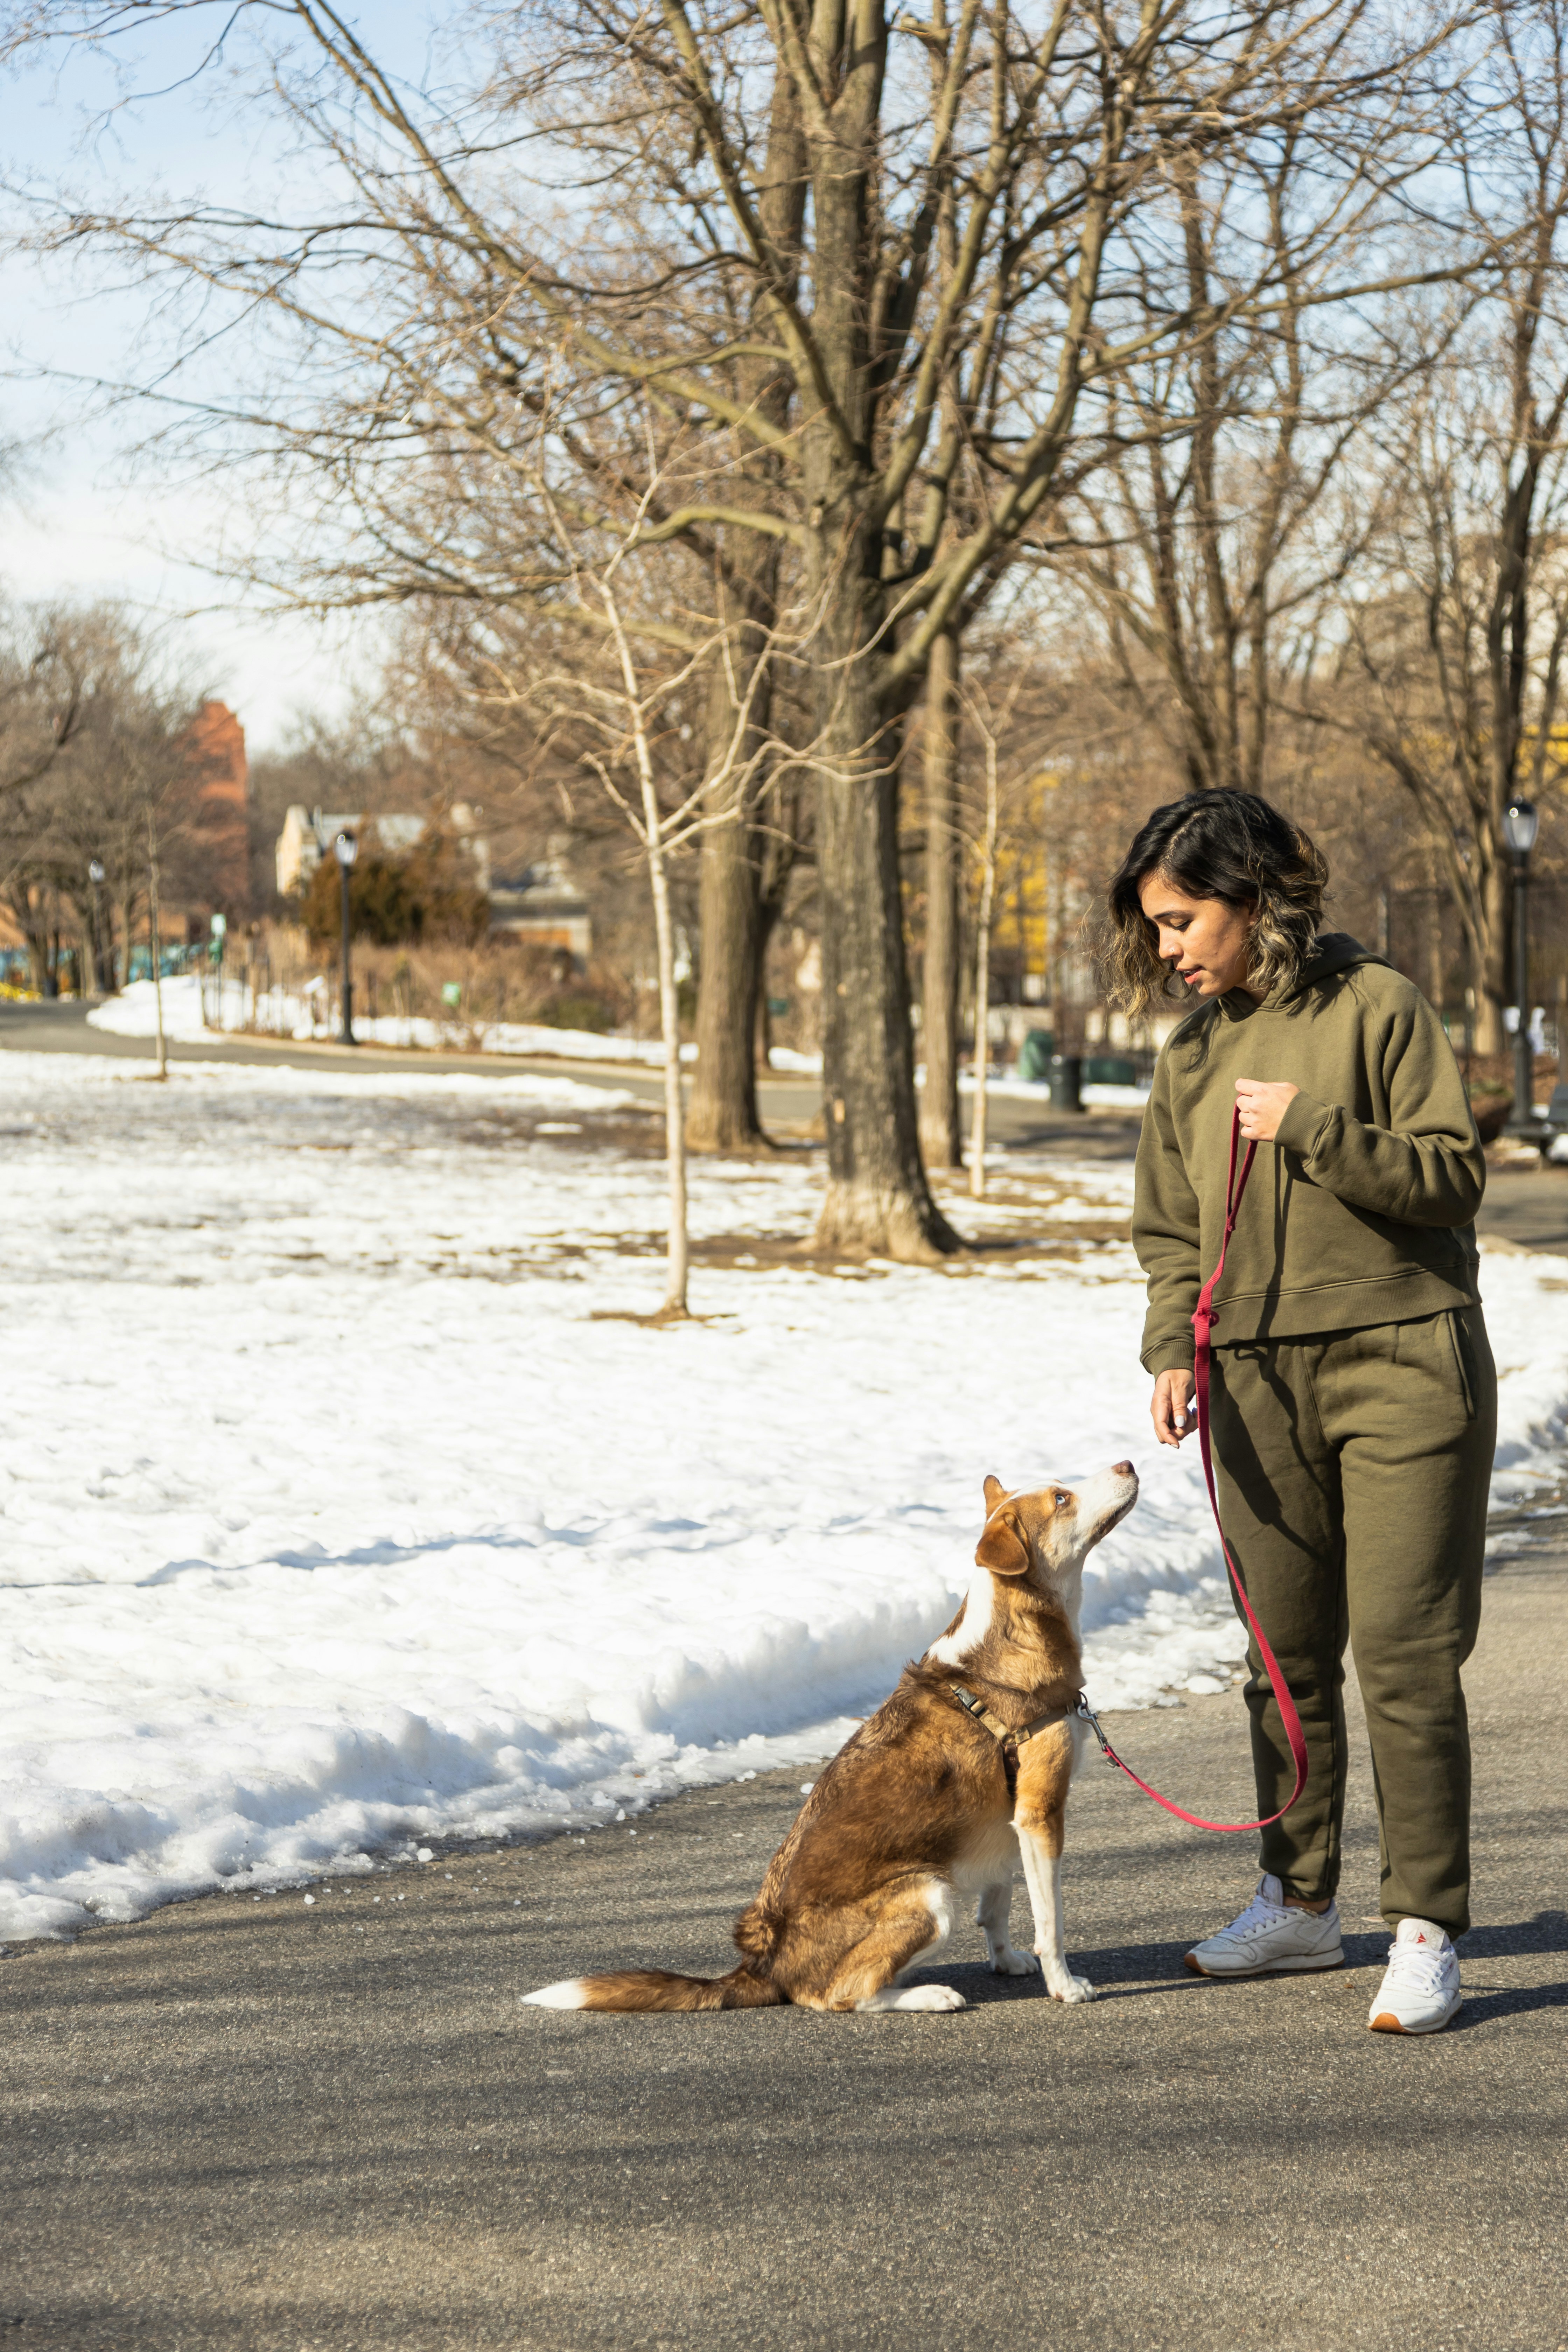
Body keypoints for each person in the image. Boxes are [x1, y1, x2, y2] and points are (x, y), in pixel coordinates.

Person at [1107, 790, 1496, 2035]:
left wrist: (1313, 1130)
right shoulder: (1188, 1056)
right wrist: (1174, 1347)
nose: (1168, 946)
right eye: (1155, 926)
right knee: (1281, 1665)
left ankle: (1425, 1927)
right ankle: (1298, 1898)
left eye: (1184, 919)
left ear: (1254, 897)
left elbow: (1451, 1178)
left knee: (1404, 1657)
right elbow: (1171, 1233)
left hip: (1401, 1361)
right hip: (1252, 1378)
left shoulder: (1377, 1005)